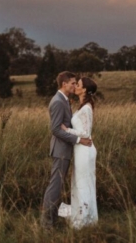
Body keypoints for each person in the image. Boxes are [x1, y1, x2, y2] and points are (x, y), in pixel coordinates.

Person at [42, 71, 92, 230]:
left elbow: (65, 126)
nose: (74, 85)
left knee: (57, 186)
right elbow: (55, 129)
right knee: (55, 187)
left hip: (64, 150)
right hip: (60, 151)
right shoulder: (57, 101)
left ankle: (53, 220)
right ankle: (48, 225)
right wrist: (78, 140)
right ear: (64, 84)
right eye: (72, 83)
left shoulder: (64, 100)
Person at [60, 77, 99, 229]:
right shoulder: (82, 107)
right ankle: (83, 217)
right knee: (79, 183)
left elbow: (85, 132)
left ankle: (84, 221)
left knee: (83, 184)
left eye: (79, 84)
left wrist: (66, 130)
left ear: (84, 90)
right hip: (80, 149)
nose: (75, 86)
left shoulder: (87, 108)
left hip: (85, 150)